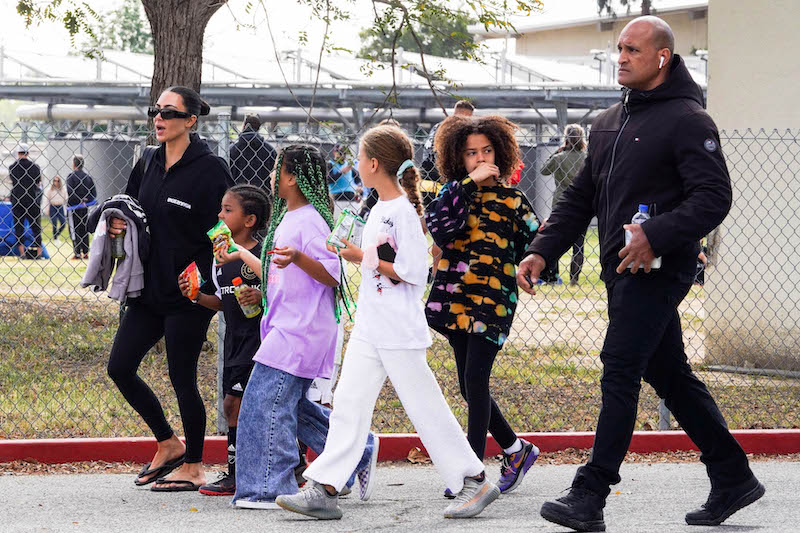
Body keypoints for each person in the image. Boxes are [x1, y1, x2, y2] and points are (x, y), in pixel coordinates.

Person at [517, 16, 764, 531]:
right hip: (618, 270)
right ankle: (733, 475)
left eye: (632, 49)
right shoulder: (609, 122)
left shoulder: (689, 121)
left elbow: (714, 198)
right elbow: (580, 197)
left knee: (621, 366)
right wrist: (543, 249)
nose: (621, 57)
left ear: (662, 58)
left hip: (660, 270)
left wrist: (659, 234)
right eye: (619, 49)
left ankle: (590, 493)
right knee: (668, 373)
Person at [276, 125, 499, 520]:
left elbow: (414, 270)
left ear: (374, 163)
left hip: (396, 328)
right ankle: (325, 487)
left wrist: (360, 257)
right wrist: (357, 253)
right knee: (348, 402)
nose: (356, 165)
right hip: (372, 326)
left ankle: (474, 479)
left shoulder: (401, 213)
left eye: (360, 159)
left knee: (424, 405)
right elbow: (381, 262)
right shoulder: (380, 207)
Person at [218, 144, 377, 509]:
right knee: (292, 406)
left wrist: (302, 258)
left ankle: (267, 487)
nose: (272, 176)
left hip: (301, 332)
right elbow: (281, 275)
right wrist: (259, 291)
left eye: (277, 169)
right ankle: (359, 449)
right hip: (284, 327)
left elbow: (332, 275)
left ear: (291, 178)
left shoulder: (310, 221)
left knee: (263, 404)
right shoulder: (288, 218)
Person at [106, 86, 234, 492]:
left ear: (191, 121)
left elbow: (227, 228)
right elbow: (130, 208)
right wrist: (117, 224)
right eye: (155, 111)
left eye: (168, 113)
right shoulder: (146, 161)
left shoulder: (211, 170)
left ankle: (194, 464)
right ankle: (168, 443)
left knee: (182, 376)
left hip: (187, 293)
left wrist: (204, 273)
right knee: (120, 367)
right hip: (147, 288)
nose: (158, 119)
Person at [425, 115, 541, 497]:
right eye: (471, 153)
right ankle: (516, 450)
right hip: (456, 300)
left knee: (475, 381)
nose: (480, 158)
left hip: (493, 301)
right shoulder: (454, 195)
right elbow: (438, 225)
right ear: (459, 158)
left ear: (500, 153)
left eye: (486, 151)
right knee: (466, 384)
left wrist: (532, 270)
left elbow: (538, 244)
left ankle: (471, 473)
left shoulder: (513, 200)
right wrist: (465, 185)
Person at [177, 184, 268, 496]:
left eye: (228, 210)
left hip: (259, 342)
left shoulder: (261, 254)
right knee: (236, 405)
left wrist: (261, 296)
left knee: (235, 404)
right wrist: (196, 296)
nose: (219, 214)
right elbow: (221, 300)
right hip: (234, 342)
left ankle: (239, 473)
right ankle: (250, 469)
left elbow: (283, 291)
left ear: (249, 220)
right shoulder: (220, 260)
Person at [539, 124, 588, 286]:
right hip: (582, 202)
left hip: (561, 200)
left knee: (556, 239)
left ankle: (554, 276)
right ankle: (574, 279)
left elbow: (544, 170)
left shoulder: (559, 158)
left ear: (566, 139)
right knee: (578, 244)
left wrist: (557, 151)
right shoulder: (586, 158)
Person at [420, 100, 475, 184]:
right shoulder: (457, 130)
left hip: (427, 173)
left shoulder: (439, 126)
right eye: (468, 118)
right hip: (443, 174)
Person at [229, 114, 277, 197]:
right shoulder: (269, 150)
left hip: (238, 194)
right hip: (263, 195)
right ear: (258, 128)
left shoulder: (232, 149)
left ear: (244, 126)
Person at [8, 143, 42, 258]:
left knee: (19, 226)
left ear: (18, 153)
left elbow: (13, 181)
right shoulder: (35, 167)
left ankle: (22, 253)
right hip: (31, 199)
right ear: (28, 153)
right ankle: (39, 252)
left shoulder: (12, 167)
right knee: (36, 226)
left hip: (17, 199)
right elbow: (38, 182)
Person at [66, 154, 97, 260]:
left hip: (74, 207)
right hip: (85, 207)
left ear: (74, 164)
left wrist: (78, 200)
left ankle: (77, 252)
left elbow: (70, 191)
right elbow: (93, 192)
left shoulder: (71, 176)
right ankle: (86, 251)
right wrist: (86, 200)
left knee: (74, 229)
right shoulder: (88, 177)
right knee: (84, 228)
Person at [42, 175, 67, 243]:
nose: (56, 182)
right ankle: (55, 238)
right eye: (54, 181)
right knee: (54, 223)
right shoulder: (50, 189)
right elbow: (46, 200)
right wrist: (46, 209)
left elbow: (66, 198)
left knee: (63, 222)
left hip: (60, 206)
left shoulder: (63, 189)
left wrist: (66, 208)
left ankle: (57, 234)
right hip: (53, 207)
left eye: (57, 181)